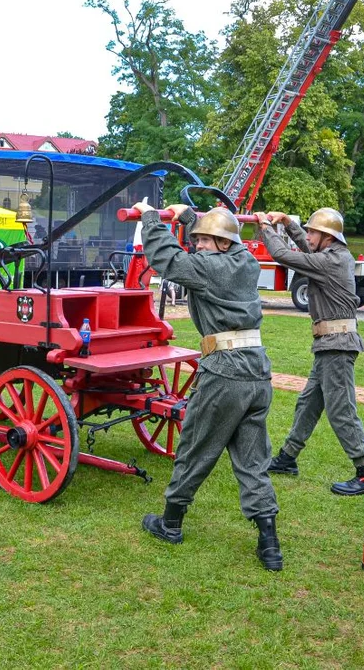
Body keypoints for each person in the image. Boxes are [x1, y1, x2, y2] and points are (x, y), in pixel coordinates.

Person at [134, 201, 283, 572]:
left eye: (202, 240)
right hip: (257, 373)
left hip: (225, 373)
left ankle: (170, 523)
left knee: (195, 447)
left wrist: (151, 218)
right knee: (253, 461)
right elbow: (214, 240)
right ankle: (270, 545)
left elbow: (167, 259)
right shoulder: (246, 262)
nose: (196, 245)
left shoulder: (207, 268)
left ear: (219, 243)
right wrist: (189, 217)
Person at [252, 208, 364, 496]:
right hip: (329, 345)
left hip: (337, 345)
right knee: (308, 403)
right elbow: (307, 247)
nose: (307, 236)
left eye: (312, 231)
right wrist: (288, 223)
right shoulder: (332, 255)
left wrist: (266, 227)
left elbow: (284, 256)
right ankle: (287, 458)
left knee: (341, 411)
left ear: (327, 236)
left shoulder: (332, 261)